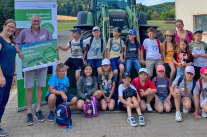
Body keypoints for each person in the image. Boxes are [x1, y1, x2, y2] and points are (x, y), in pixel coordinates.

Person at [15, 15, 53, 126]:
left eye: (38, 21)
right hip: (29, 64)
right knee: (29, 87)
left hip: (42, 65)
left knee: (40, 86)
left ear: (40, 22)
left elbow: (51, 44)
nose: (36, 22)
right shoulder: (24, 32)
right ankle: (29, 112)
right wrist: (19, 51)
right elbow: (17, 44)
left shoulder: (46, 32)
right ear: (31, 22)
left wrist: (54, 49)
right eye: (34, 20)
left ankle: (38, 109)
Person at [0, 19, 17, 136]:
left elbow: (13, 58)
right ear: (4, 26)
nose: (11, 29)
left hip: (9, 76)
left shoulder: (11, 40)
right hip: (2, 76)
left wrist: (15, 74)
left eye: (13, 28)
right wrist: (1, 76)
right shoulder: (0, 39)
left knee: (3, 102)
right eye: (9, 27)